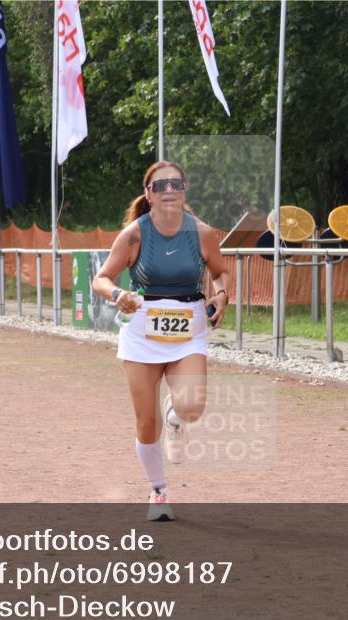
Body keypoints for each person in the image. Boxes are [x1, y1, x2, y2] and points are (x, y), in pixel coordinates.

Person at [92, 161, 230, 521]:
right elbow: (102, 278)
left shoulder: (201, 234)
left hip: (189, 329)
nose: (169, 190)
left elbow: (220, 272)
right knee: (145, 423)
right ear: (149, 194)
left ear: (184, 191)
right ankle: (158, 491)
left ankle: (176, 418)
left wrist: (221, 295)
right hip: (141, 333)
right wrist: (117, 293)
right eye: (161, 185)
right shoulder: (134, 235)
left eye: (176, 184)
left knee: (192, 408)